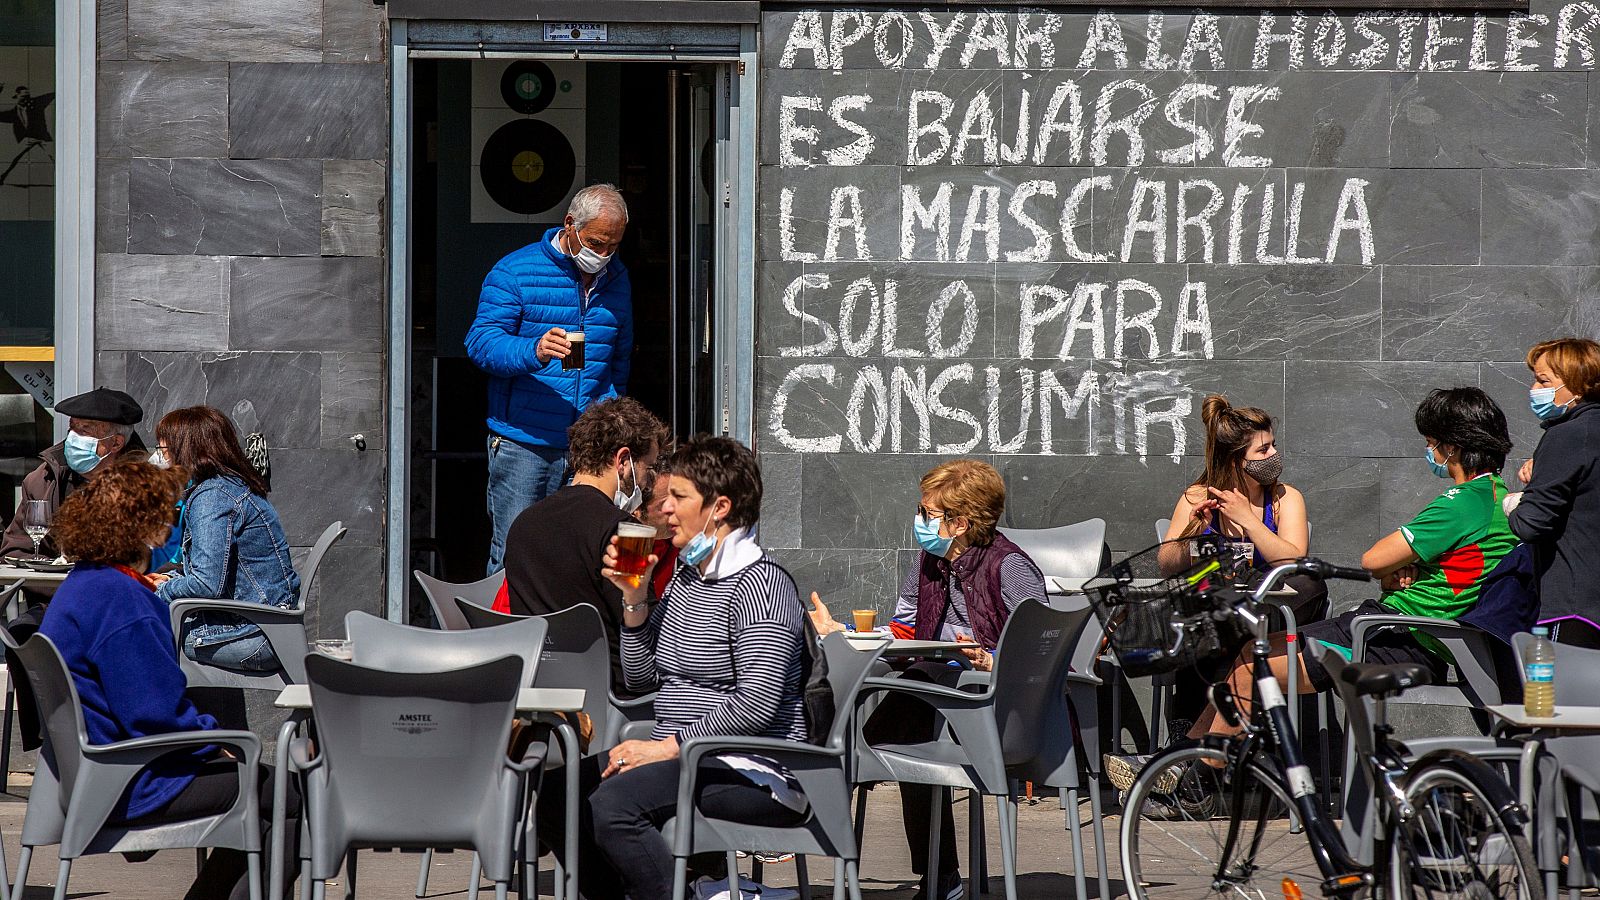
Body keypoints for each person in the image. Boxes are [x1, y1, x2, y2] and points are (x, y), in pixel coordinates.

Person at [1107, 388, 1517, 805]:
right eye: (1263, 448)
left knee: (1249, 668)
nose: (1428, 453)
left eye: (1431, 444)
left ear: (1451, 447)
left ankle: (1192, 786)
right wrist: (1198, 531)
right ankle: (1179, 764)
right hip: (1387, 626)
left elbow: (1370, 558)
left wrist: (1394, 568)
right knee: (1245, 661)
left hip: (1394, 632)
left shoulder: (1459, 505)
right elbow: (1166, 560)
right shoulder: (1498, 500)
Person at [531, 435, 806, 899]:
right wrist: (634, 602)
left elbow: (756, 705)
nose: (664, 510)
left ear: (719, 507)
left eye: (679, 498)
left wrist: (663, 749)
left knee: (612, 806)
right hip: (687, 755)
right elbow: (642, 680)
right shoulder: (687, 576)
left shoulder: (760, 586)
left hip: (754, 766)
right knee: (557, 795)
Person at [39, 459, 298, 900]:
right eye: (166, 512)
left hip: (97, 773)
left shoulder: (85, 584)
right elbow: (155, 715)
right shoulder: (123, 600)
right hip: (134, 780)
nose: (172, 519)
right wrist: (218, 740)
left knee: (269, 794)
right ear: (145, 526)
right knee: (295, 793)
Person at [827, 459, 1045, 900]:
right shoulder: (930, 562)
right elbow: (905, 627)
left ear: (960, 523)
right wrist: (846, 635)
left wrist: (990, 659)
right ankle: (939, 879)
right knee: (911, 707)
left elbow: (1040, 647)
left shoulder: (1009, 567)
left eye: (928, 513)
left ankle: (846, 761)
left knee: (900, 717)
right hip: (937, 696)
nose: (920, 521)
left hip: (994, 708)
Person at [466, 183, 634, 573]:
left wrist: (614, 423)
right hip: (525, 441)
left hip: (589, 446)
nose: (604, 255)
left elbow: (619, 356)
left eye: (613, 246)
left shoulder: (617, 278)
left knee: (580, 557)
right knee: (515, 552)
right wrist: (533, 351)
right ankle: (506, 634)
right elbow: (481, 342)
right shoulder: (515, 271)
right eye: (596, 243)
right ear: (570, 224)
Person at [1157, 395, 1324, 739]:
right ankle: (1197, 745)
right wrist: (1192, 539)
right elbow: (1166, 564)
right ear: (1235, 461)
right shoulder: (1196, 495)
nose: (1273, 456)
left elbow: (1294, 563)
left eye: (1273, 445)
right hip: (1214, 620)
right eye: (1262, 451)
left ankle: (1190, 744)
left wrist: (1249, 520)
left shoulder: (1285, 498)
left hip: (1262, 623)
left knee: (1311, 586)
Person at [502, 397, 664, 693]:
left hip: (539, 692)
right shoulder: (626, 533)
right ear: (623, 461)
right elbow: (647, 635)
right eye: (649, 467)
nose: (649, 482)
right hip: (617, 696)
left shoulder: (523, 523)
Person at [152, 406, 300, 673]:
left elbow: (206, 585)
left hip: (250, 634)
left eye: (163, 450)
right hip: (260, 626)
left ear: (185, 449)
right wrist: (170, 581)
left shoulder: (213, 496)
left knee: (137, 635)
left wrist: (157, 591)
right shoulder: (228, 485)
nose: (160, 459)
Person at [1508, 338, 1600, 617]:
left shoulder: (1568, 435)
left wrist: (1514, 504)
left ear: (1579, 383)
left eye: (1544, 381)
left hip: (1575, 608)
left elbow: (1531, 523)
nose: (1534, 390)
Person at [1, 387, 148, 560]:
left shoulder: (148, 486)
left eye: (84, 430)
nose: (72, 438)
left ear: (116, 443)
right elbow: (16, 550)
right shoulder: (45, 479)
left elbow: (166, 561)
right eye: (72, 428)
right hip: (56, 586)